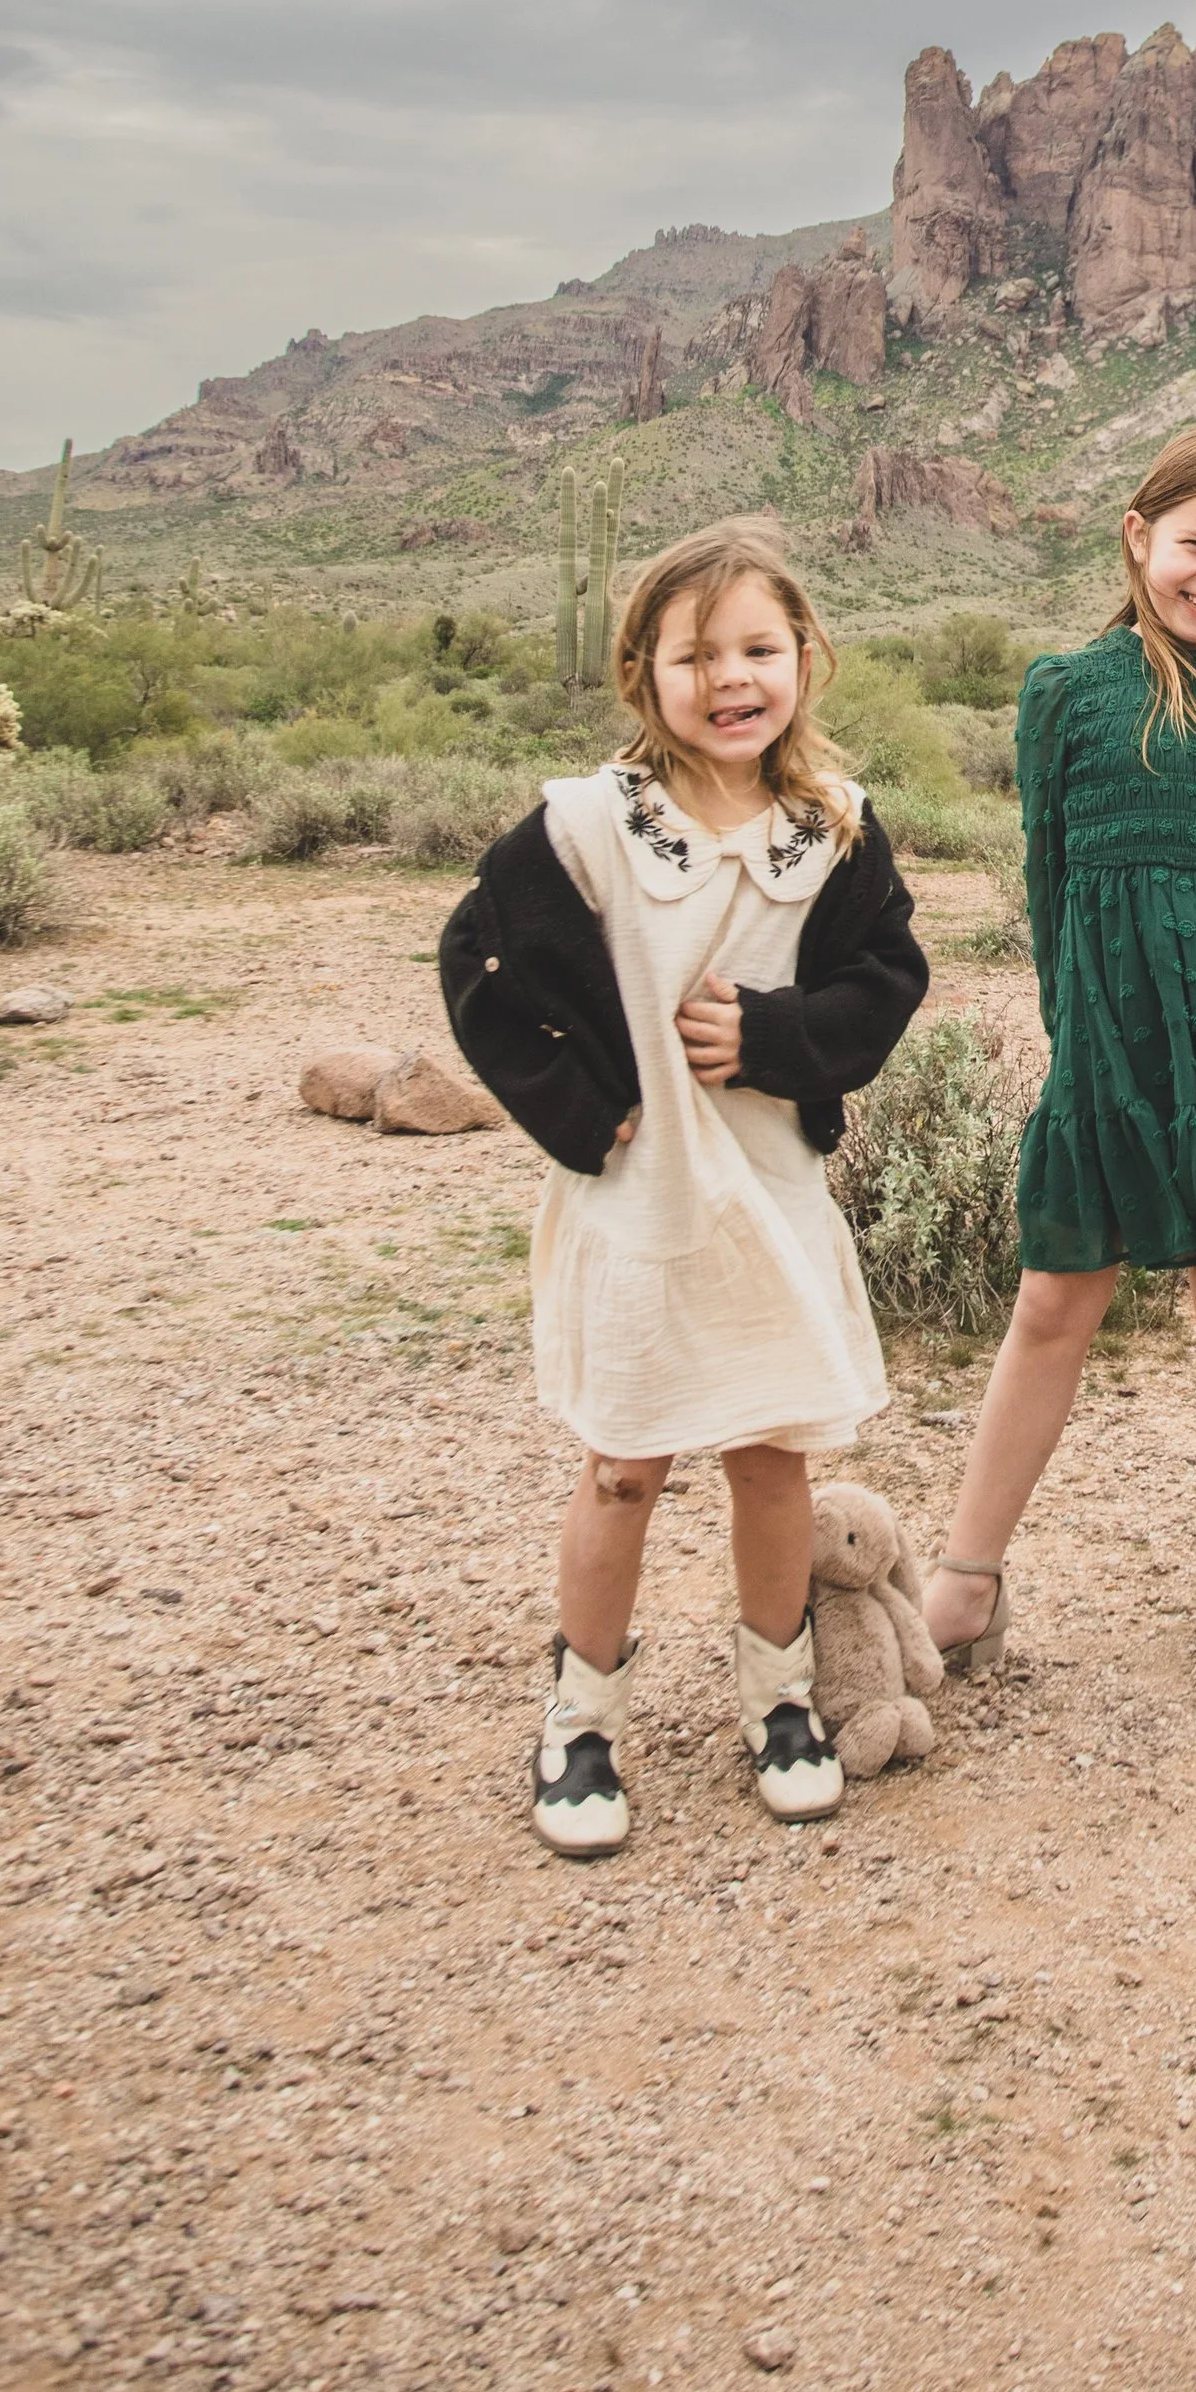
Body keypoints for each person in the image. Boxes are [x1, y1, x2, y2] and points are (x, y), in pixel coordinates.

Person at [441, 518, 926, 1851]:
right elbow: (479, 963)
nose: (732, 677)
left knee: (772, 1457)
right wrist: (584, 1109)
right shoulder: (592, 827)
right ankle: (579, 1716)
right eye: (694, 653)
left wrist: (774, 1038)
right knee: (623, 1468)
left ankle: (780, 1700)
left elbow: (885, 981)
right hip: (642, 1204)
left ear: (805, 658)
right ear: (641, 672)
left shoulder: (831, 827)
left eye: (759, 647)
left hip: (767, 1194)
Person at [921, 425, 1196, 1688]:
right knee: (1056, 1293)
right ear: (1138, 538)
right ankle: (967, 1571)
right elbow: (1050, 884)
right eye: (1194, 545)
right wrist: (1079, 1043)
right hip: (1107, 1037)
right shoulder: (1066, 689)